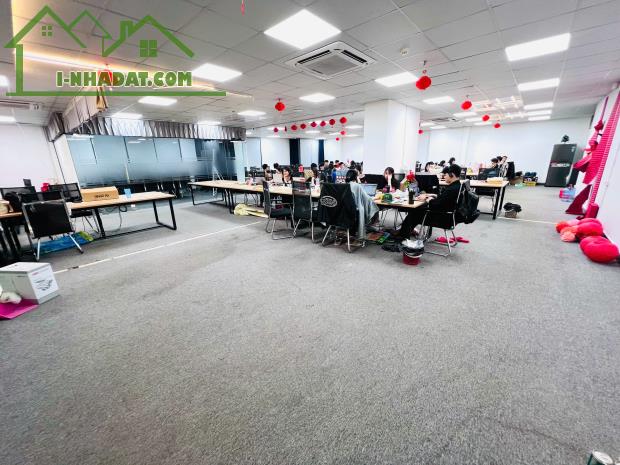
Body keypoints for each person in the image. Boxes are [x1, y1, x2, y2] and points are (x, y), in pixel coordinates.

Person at [392, 164, 464, 239]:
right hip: (448, 216)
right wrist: (433, 195)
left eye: (445, 175)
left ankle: (402, 236)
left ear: (452, 175)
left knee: (414, 213)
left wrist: (427, 199)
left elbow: (437, 204)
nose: (444, 176)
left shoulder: (452, 189)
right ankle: (405, 232)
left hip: (443, 218)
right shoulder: (457, 186)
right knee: (416, 211)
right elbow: (444, 199)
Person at [345, 169, 379, 239]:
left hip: (344, 211)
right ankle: (370, 225)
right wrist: (375, 198)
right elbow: (367, 198)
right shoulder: (357, 186)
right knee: (375, 208)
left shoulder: (342, 185)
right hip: (354, 211)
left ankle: (368, 226)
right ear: (355, 177)